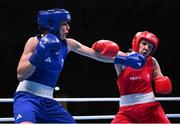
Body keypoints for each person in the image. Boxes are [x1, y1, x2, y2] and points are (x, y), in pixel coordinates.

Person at [13, 9, 146, 123]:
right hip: (26, 97)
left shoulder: (68, 44)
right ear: (53, 25)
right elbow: (21, 75)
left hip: (48, 101)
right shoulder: (34, 41)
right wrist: (40, 52)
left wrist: (126, 59)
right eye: (65, 24)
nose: (68, 28)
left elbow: (96, 55)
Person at [108, 31, 172, 123]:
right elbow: (104, 57)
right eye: (144, 44)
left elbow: (161, 79)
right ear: (136, 43)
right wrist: (99, 49)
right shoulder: (124, 59)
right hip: (126, 112)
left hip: (151, 110)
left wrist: (163, 82)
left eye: (150, 47)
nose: (146, 48)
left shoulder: (152, 61)